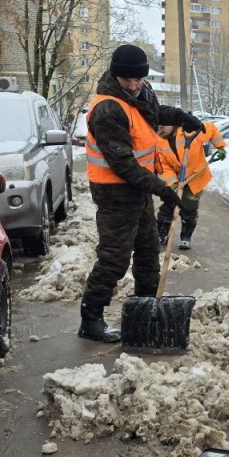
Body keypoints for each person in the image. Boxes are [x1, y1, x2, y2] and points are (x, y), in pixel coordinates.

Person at [79, 44, 205, 343]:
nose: (134, 85)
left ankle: (145, 308)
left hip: (138, 190)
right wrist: (162, 188)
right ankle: (91, 318)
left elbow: (151, 112)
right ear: (115, 75)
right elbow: (122, 163)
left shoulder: (141, 92)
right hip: (114, 192)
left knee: (149, 251)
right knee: (114, 258)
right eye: (127, 80)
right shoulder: (107, 108)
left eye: (138, 79)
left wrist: (179, 116)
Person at [154, 120, 226, 250]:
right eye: (158, 128)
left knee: (189, 208)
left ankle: (186, 238)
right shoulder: (159, 141)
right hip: (176, 177)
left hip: (195, 175)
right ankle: (161, 235)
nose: (160, 131)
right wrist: (173, 183)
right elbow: (163, 165)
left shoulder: (190, 130)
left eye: (163, 126)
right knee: (167, 206)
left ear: (173, 124)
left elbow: (211, 129)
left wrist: (219, 146)